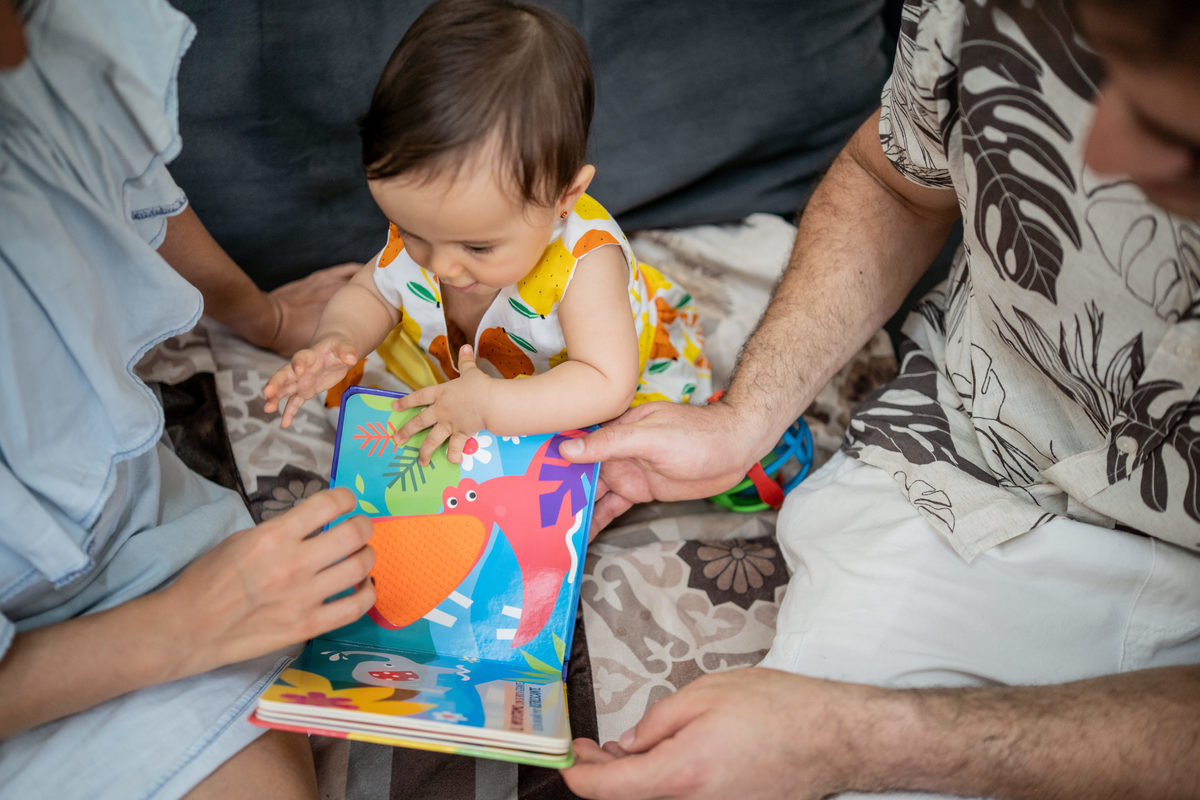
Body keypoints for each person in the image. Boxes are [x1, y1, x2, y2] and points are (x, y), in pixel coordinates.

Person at [558, 0, 1200, 798]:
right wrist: (742, 420)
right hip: (966, 469)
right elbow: (896, 182)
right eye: (1088, 76)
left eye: (1179, 139)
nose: (1101, 154)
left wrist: (851, 736)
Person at [0, 0, 377, 797]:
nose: (17, 41)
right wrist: (187, 627)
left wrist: (264, 315)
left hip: (128, 546)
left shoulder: (30, 54)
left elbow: (115, 172)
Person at [261, 0, 711, 465]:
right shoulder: (438, 234)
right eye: (412, 232)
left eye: (477, 246)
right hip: (470, 381)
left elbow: (605, 384)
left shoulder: (587, 263)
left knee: (615, 463)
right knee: (391, 428)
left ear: (564, 197)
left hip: (580, 394)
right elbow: (373, 293)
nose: (438, 265)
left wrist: (491, 406)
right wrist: (336, 339)